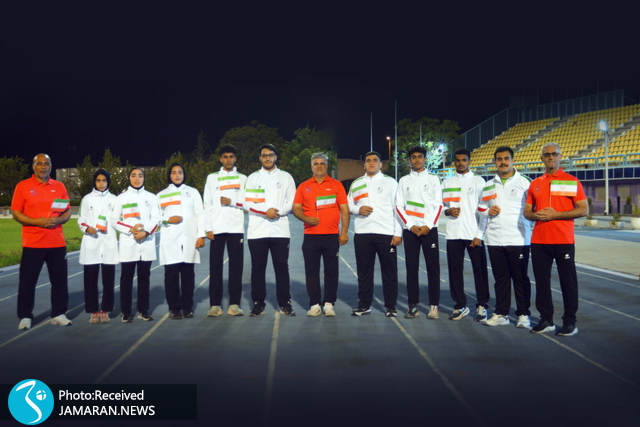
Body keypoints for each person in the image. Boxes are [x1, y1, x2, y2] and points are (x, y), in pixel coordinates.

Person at [524, 142, 588, 336]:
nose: (550, 157)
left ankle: (569, 321)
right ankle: (546, 319)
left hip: (563, 240)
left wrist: (555, 215)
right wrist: (536, 215)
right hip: (539, 241)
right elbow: (527, 212)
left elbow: (583, 209)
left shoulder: (571, 181)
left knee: (568, 282)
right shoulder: (535, 183)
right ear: (542, 158)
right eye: (547, 155)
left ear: (560, 157)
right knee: (541, 283)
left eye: (554, 154)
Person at [11, 153, 72, 329]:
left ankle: (59, 313)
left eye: (46, 163)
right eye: (39, 163)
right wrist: (37, 222)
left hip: (57, 243)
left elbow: (67, 211)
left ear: (50, 166)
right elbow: (16, 213)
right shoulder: (23, 186)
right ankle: (25, 316)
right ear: (34, 166)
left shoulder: (59, 186)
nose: (43, 166)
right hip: (33, 243)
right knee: (27, 282)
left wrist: (58, 220)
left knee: (59, 281)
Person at [480, 147, 533, 328]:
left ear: (512, 160)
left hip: (519, 238)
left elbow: (534, 207)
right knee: (500, 279)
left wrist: (529, 227)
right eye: (499, 159)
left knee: (520, 278)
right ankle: (501, 313)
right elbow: (480, 208)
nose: (503, 162)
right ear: (495, 161)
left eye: (506, 158)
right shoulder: (488, 184)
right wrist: (487, 211)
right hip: (495, 239)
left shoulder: (525, 182)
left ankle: (523, 314)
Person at [292, 153, 350, 317]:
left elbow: (344, 209)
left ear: (326, 166)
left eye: (322, 163)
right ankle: (314, 304)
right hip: (311, 236)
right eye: (316, 163)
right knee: (311, 271)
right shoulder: (303, 186)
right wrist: (306, 218)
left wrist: (344, 232)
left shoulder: (336, 185)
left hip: (331, 236)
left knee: (332, 271)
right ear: (311, 166)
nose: (319, 166)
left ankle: (329, 303)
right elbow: (296, 208)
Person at [243, 144, 296, 317]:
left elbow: (292, 201)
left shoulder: (286, 177)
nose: (267, 158)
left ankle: (285, 303)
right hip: (257, 231)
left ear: (275, 157)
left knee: (282, 268)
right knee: (258, 268)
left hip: (280, 231)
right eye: (264, 155)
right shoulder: (252, 178)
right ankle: (258, 303)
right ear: (260, 158)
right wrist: (265, 211)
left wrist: (277, 212)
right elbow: (248, 203)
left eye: (270, 155)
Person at [348, 151, 402, 317]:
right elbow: (348, 205)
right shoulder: (357, 183)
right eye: (368, 160)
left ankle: (391, 306)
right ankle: (364, 305)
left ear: (381, 164)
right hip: (362, 233)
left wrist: (398, 233)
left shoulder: (391, 183)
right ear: (364, 165)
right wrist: (358, 209)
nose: (371, 163)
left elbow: (398, 208)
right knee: (364, 272)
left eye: (374, 160)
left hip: (386, 233)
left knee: (389, 272)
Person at [442, 148, 490, 321]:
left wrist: (480, 234)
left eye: (464, 160)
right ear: (454, 162)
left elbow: (485, 210)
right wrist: (448, 211)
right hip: (453, 233)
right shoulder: (447, 182)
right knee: (455, 272)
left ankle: (482, 305)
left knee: (480, 271)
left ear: (469, 161)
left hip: (473, 234)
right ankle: (460, 305)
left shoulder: (479, 181)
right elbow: (442, 205)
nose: (460, 163)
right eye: (458, 160)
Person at [395, 146, 443, 319]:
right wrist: (410, 225)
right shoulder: (403, 180)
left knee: (433, 269)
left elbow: (439, 205)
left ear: (425, 159)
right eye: (413, 157)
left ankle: (434, 306)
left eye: (420, 156)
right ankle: (412, 306)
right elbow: (399, 206)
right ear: (410, 160)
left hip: (429, 230)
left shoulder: (434, 179)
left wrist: (428, 225)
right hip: (411, 231)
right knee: (411, 268)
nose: (416, 160)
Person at [111, 167, 160, 323]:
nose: (137, 178)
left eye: (140, 175)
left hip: (146, 242)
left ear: (144, 178)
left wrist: (146, 232)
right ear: (129, 178)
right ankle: (126, 312)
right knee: (126, 279)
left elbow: (156, 219)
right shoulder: (121, 198)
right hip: (128, 243)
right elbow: (114, 220)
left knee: (144, 279)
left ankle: (143, 311)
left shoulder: (151, 197)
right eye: (134, 175)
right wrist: (130, 229)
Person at [203, 145, 247, 317]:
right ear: (220, 159)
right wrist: (208, 228)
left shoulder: (243, 178)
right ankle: (215, 305)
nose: (228, 159)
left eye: (231, 156)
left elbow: (247, 203)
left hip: (236, 228)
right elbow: (207, 204)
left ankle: (234, 304)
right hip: (217, 229)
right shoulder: (212, 178)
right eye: (225, 156)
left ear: (235, 159)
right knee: (215, 268)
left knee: (236, 268)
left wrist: (232, 202)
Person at [158, 163, 205, 319]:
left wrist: (201, 235)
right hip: (170, 241)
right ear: (169, 175)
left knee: (188, 276)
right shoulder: (161, 195)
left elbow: (200, 214)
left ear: (184, 175)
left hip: (189, 239)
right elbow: (156, 219)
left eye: (180, 172)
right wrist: (167, 220)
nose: (177, 175)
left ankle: (187, 307)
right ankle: (174, 308)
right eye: (173, 172)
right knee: (171, 276)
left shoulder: (192, 192)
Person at [78, 169, 118, 324]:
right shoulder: (87, 199)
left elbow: (118, 219)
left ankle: (105, 310)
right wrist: (87, 228)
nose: (101, 183)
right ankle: (93, 310)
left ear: (108, 182)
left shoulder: (114, 199)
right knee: (90, 281)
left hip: (108, 243)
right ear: (94, 182)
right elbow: (81, 218)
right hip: (91, 242)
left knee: (108, 280)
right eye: (98, 180)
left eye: (104, 180)